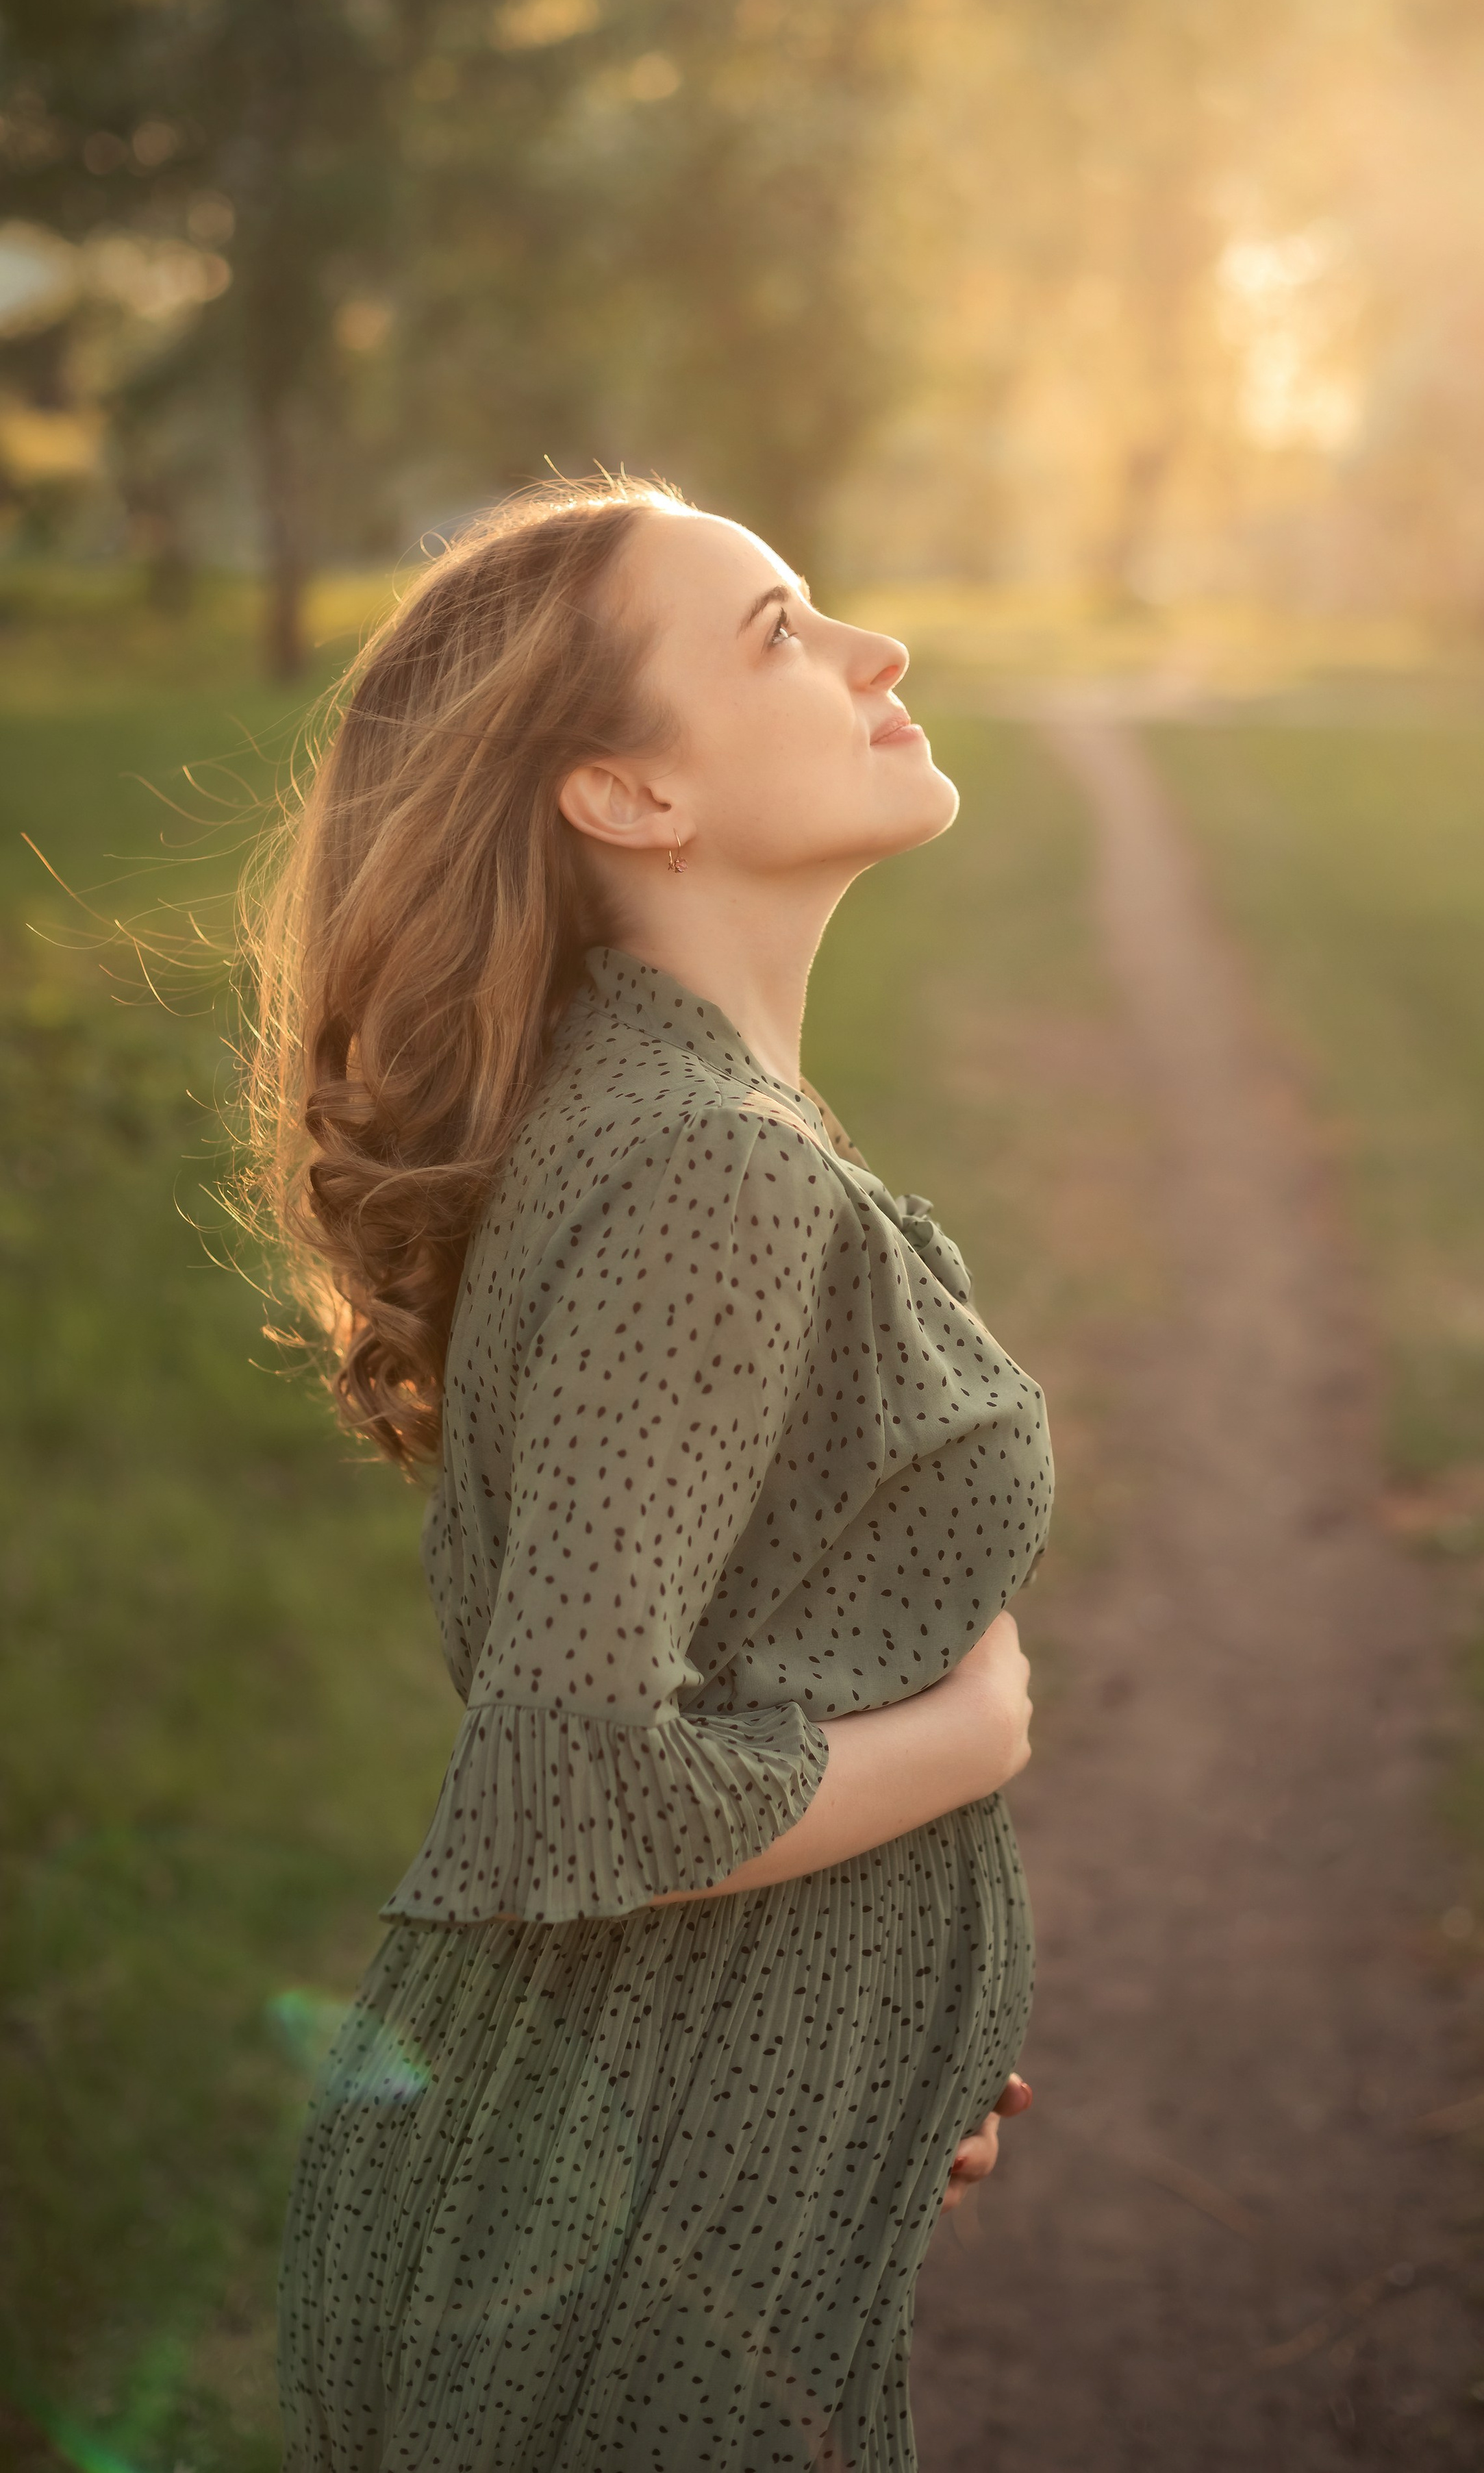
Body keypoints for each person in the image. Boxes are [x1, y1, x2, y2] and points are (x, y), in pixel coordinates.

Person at [244, 476, 1051, 2472]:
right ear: (626, 794)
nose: (882, 653)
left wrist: (870, 2037)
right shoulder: (708, 1165)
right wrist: (981, 1731)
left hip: (666, 2174)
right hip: (620, 2287)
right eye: (781, 628)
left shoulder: (665, 1116)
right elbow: (573, 1778)